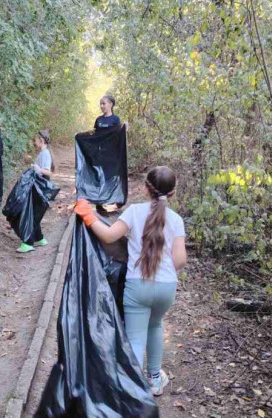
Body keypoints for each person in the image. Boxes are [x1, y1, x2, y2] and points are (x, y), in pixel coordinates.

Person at [73, 166, 187, 396]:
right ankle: (154, 379)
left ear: (146, 188)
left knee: (135, 335)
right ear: (173, 192)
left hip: (137, 285)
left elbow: (108, 236)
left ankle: (132, 387)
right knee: (155, 326)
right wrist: (163, 271)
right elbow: (180, 259)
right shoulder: (176, 220)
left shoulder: (134, 212)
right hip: (166, 288)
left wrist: (88, 215)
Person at [17, 130, 56, 253]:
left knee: (32, 214)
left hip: (41, 188)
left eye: (35, 139)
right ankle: (39, 239)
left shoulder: (45, 154)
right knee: (34, 212)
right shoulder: (43, 153)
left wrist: (37, 168)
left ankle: (28, 243)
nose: (34, 142)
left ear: (41, 140)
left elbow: (48, 172)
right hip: (38, 187)